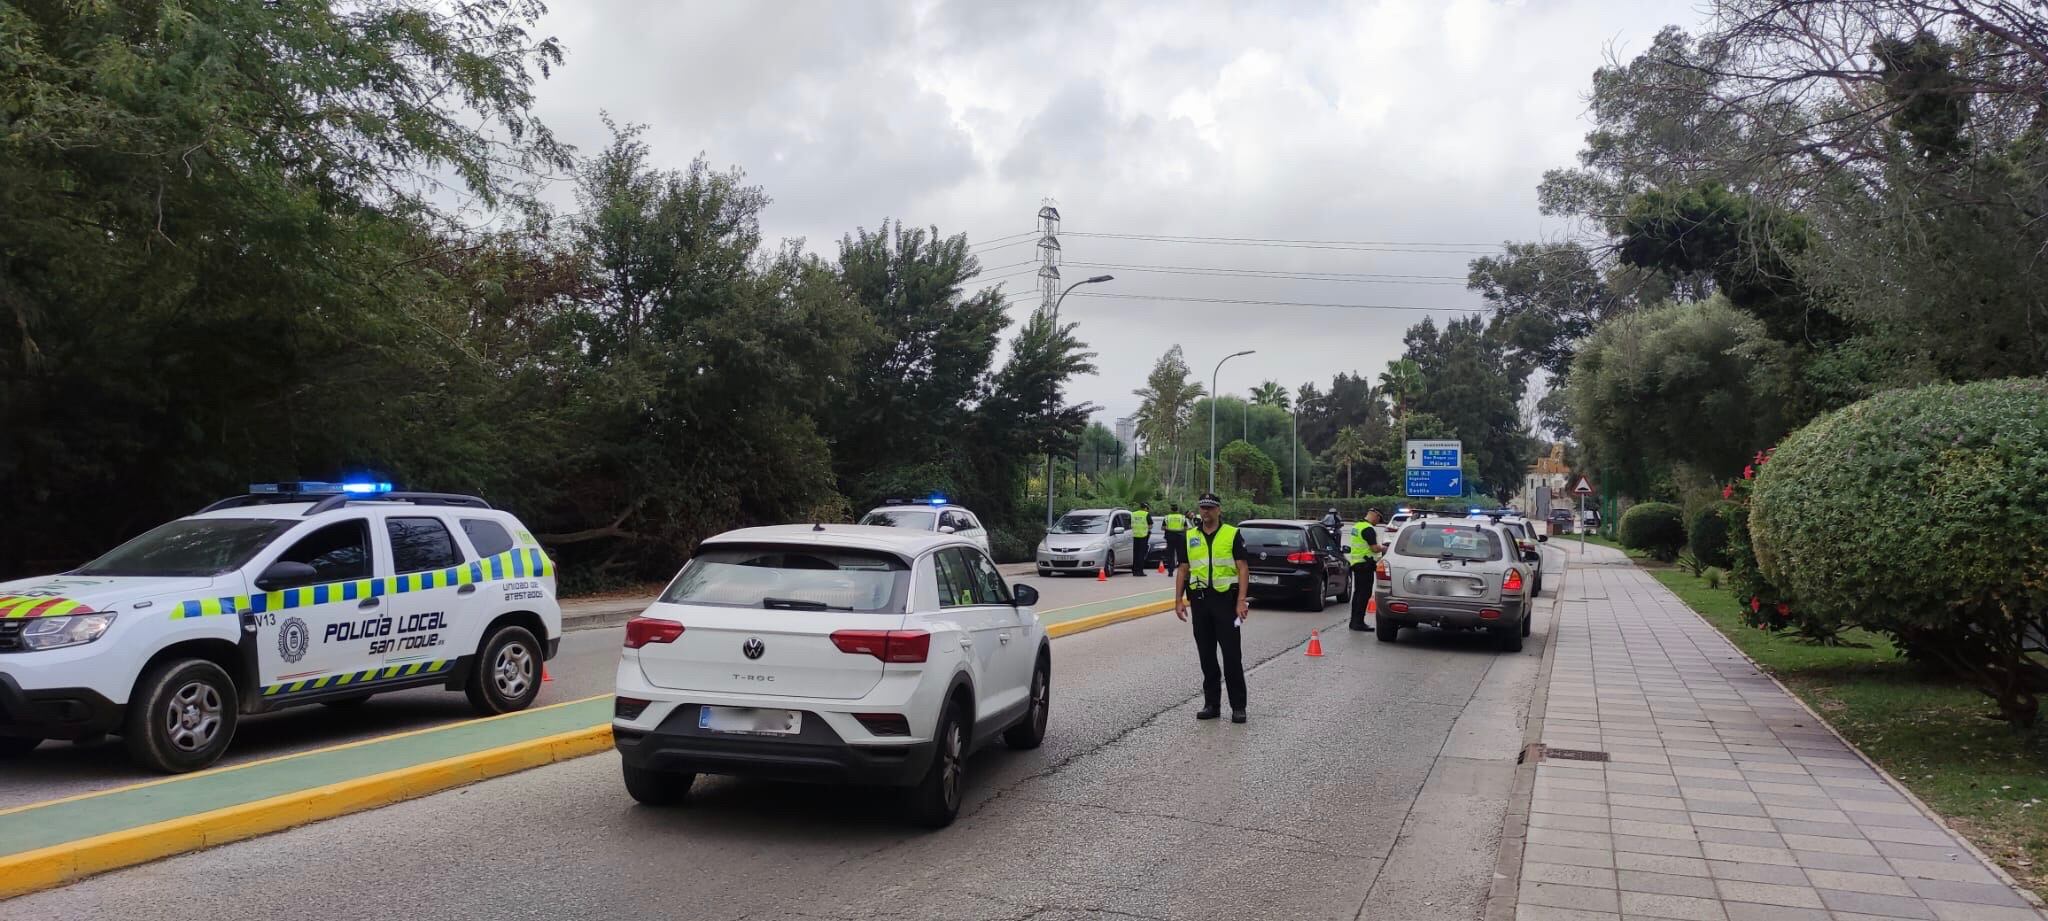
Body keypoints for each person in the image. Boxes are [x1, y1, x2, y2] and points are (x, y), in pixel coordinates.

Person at [1175, 492, 1252, 723]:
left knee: (1231, 656)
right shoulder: (1189, 536)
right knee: (1206, 655)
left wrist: (1241, 601)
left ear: (1218, 510)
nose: (1205, 511)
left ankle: (1238, 706)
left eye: (1210, 508)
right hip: (1199, 601)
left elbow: (1243, 568)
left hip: (1225, 603)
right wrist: (1178, 600)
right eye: (1202, 507)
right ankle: (1212, 704)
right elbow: (1183, 570)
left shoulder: (1232, 534)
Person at [1346, 507, 1388, 631]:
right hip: (1366, 565)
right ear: (1375, 515)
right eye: (1379, 519)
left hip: (1357, 563)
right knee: (1364, 594)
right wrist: (1385, 549)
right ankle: (1358, 622)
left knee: (1357, 594)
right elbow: (1374, 548)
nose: (1378, 522)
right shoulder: (1368, 529)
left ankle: (1354, 621)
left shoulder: (1357, 526)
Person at [1161, 503, 1188, 571]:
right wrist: (1179, 530)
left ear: (1171, 509)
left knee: (1170, 554)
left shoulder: (1167, 517)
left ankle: (1170, 570)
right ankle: (1180, 568)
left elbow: (1163, 527)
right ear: (1177, 509)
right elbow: (1186, 528)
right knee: (1180, 553)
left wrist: (1170, 529)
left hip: (1170, 537)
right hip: (1180, 537)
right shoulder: (1182, 517)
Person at [1129, 506, 1151, 576]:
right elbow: (1150, 525)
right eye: (1147, 509)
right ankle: (1140, 571)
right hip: (1143, 536)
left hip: (1135, 536)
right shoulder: (1146, 514)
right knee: (1141, 555)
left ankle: (1134, 571)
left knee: (1135, 554)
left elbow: (1130, 524)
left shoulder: (1133, 514)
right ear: (1145, 508)